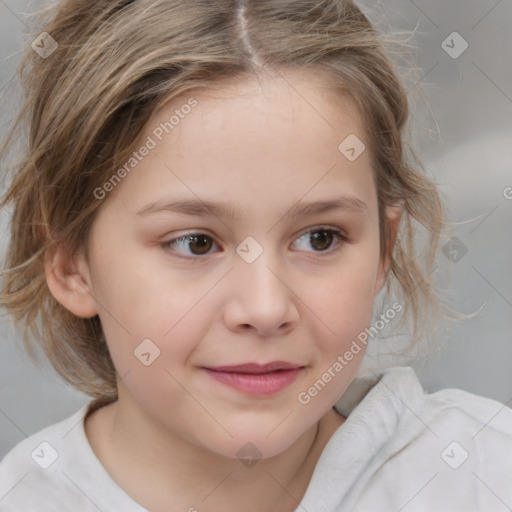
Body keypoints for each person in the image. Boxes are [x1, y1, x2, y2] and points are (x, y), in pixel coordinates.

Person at [0, 1, 510, 511]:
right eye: (196, 243)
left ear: (384, 249)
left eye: (320, 238)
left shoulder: (481, 476)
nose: (266, 309)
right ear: (70, 262)